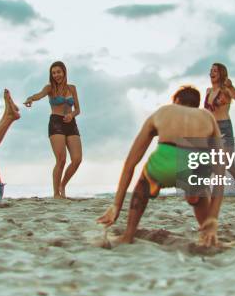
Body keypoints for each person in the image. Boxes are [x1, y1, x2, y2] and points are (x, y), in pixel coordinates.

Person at [97, 86, 226, 247]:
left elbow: (130, 162)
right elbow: (221, 169)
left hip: (164, 162)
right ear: (196, 105)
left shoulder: (163, 111)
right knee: (200, 188)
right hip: (194, 164)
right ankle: (208, 234)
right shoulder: (207, 116)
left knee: (143, 185)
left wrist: (116, 205)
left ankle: (128, 235)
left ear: (176, 101)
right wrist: (214, 217)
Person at [23, 61, 82, 199]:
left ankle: (63, 185)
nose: (56, 75)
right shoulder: (49, 88)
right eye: (53, 73)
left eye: (58, 72)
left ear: (64, 72)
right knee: (61, 160)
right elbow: (39, 95)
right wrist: (31, 98)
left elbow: (78, 109)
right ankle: (56, 193)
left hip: (71, 123)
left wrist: (71, 115)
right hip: (56, 123)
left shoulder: (72, 88)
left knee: (77, 159)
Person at [204, 63, 235, 205]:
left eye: (215, 71)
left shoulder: (226, 90)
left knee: (228, 165)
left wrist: (231, 87)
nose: (212, 73)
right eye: (211, 70)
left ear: (221, 74)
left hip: (224, 128)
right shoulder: (208, 91)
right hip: (211, 130)